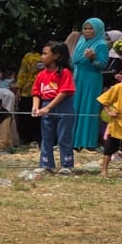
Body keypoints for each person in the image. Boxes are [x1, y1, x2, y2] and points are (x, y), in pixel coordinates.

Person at [32, 39, 76, 174]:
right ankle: (46, 164)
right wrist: (36, 106)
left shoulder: (65, 73)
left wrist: (48, 108)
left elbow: (64, 92)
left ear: (56, 56)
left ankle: (66, 165)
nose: (42, 56)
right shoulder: (41, 75)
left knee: (64, 137)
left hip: (63, 106)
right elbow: (36, 92)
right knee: (46, 137)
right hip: (46, 106)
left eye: (45, 54)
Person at [71, 17, 110, 152]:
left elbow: (102, 65)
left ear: (98, 29)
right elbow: (74, 61)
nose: (87, 31)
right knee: (76, 106)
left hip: (91, 79)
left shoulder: (101, 44)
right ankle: (73, 141)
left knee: (88, 107)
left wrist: (93, 58)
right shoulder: (81, 42)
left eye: (90, 28)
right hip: (78, 78)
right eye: (85, 28)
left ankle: (87, 141)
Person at [97, 61, 122, 177]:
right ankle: (104, 171)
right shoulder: (120, 87)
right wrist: (109, 112)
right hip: (118, 123)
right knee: (109, 149)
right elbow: (104, 100)